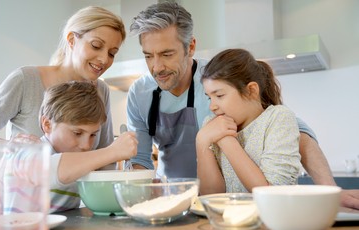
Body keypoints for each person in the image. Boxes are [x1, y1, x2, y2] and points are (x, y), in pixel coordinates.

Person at [126, 2, 359, 209]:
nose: (157, 67)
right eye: (148, 56)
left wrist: (330, 191)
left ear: (191, 46)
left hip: (222, 203)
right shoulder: (139, 93)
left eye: (167, 54)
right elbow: (141, 160)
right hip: (174, 202)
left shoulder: (215, 81)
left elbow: (297, 133)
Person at [0, 6, 125, 172]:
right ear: (72, 40)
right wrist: (11, 147)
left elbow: (104, 156)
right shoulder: (26, 79)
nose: (103, 59)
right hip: (28, 193)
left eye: (112, 53)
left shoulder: (101, 90)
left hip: (80, 198)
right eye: (96, 45)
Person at [0, 81, 138, 213]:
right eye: (77, 133)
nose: (86, 145)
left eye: (93, 135)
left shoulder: (77, 162)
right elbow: (51, 169)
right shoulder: (26, 149)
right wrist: (112, 151)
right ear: (47, 124)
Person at [196, 48, 301, 193]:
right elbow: (210, 195)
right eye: (209, 97)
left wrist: (226, 139)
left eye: (219, 95)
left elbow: (272, 193)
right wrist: (201, 141)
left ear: (251, 90)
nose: (212, 106)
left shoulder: (278, 118)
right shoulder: (211, 125)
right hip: (225, 216)